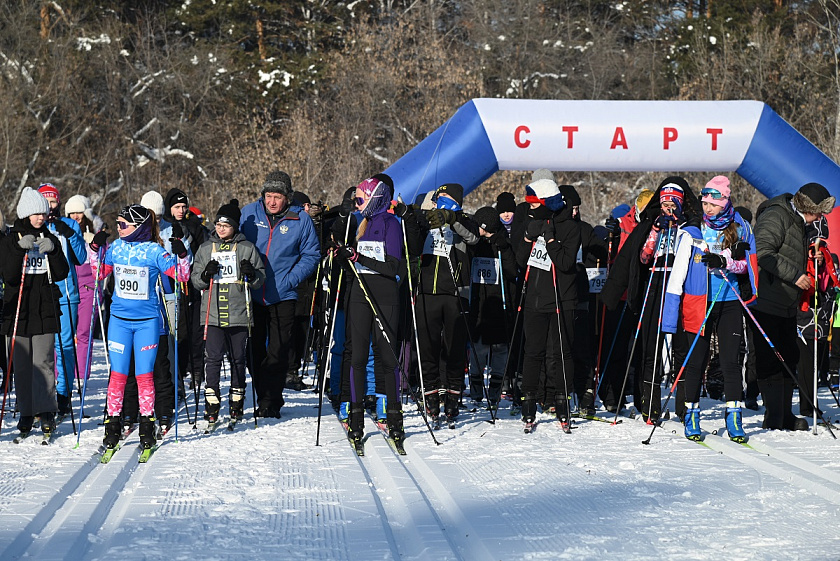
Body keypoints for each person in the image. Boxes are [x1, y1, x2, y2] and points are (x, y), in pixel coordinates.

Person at [663, 175, 757, 442]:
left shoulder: (740, 227)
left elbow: (746, 266)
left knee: (730, 362)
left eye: (713, 204)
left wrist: (725, 262)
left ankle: (734, 415)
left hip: (729, 301)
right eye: (705, 203)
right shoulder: (693, 231)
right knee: (696, 362)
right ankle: (691, 414)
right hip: (699, 302)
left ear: (724, 203)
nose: (708, 208)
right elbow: (677, 275)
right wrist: (670, 317)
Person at [91, 204, 190, 450]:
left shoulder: (154, 250)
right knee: (118, 375)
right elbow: (98, 274)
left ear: (138, 227)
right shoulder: (116, 248)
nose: (119, 228)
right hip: (119, 322)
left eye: (123, 225)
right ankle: (113, 425)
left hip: (147, 323)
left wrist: (182, 254)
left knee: (144, 376)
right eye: (118, 224)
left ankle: (147, 424)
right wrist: (95, 249)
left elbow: (182, 276)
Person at [751, 182, 835, 431]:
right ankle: (774, 416)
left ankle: (785, 414)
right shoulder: (776, 215)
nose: (819, 218)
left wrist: (811, 256)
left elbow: (788, 250)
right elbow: (763, 251)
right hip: (767, 299)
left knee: (789, 356)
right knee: (770, 359)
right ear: (807, 207)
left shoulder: (799, 221)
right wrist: (796, 275)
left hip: (788, 301)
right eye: (818, 213)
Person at [240, 170, 321, 418]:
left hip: (283, 294)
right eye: (268, 196)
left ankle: (271, 402)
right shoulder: (249, 213)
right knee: (253, 353)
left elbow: (311, 254)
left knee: (278, 350)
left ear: (287, 197)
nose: (272, 202)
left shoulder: (300, 219)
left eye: (277, 197)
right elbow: (234, 240)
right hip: (252, 293)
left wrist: (291, 279)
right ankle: (264, 393)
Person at [333, 175, 406, 447]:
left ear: (375, 198)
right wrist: (344, 257)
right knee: (358, 358)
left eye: (362, 198)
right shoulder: (361, 223)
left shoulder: (391, 224)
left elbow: (392, 267)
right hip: (359, 295)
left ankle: (395, 419)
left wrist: (358, 257)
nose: (358, 203)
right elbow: (353, 261)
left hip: (384, 295)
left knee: (388, 358)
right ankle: (356, 419)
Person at [1, 187, 70, 437]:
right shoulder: (10, 239)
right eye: (36, 213)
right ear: (25, 214)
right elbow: (8, 276)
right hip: (19, 309)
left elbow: (62, 273)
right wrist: (19, 250)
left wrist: (53, 251)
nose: (41, 217)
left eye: (43, 213)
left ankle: (47, 411)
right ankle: (26, 412)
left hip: (44, 308)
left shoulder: (50, 237)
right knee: (21, 365)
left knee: (43, 362)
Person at [514, 178, 580, 432]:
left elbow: (565, 263)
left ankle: (562, 402)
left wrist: (550, 240)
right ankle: (529, 402)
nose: (529, 209)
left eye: (533, 205)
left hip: (562, 299)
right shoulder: (532, 223)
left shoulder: (570, 227)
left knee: (561, 353)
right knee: (533, 352)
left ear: (546, 204)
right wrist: (528, 237)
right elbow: (521, 260)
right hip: (535, 299)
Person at [192, 199, 265, 425]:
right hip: (212, 314)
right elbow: (195, 280)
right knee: (212, 359)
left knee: (238, 358)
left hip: (239, 313)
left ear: (235, 226)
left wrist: (251, 274)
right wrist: (205, 274)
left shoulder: (247, 248)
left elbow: (260, 279)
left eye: (226, 225)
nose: (221, 228)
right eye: (218, 224)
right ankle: (212, 403)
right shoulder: (206, 248)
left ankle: (237, 401)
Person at [414, 183, 480, 427]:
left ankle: (453, 396)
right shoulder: (429, 219)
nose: (438, 201)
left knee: (454, 349)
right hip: (427, 292)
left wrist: (452, 219)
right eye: (437, 197)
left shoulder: (465, 220)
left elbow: (473, 238)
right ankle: (431, 395)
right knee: (428, 347)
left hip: (455, 294)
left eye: (443, 197)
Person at [38, 183, 87, 418]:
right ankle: (42, 392)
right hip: (42, 293)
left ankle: (63, 393)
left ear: (59, 203)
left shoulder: (70, 224)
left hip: (67, 293)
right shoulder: (35, 225)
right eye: (45, 202)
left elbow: (81, 258)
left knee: (65, 345)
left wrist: (70, 234)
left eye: (53, 202)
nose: (50, 207)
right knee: (43, 346)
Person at [467, 206, 518, 410]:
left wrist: (504, 249)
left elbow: (512, 271)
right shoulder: (475, 243)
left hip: (499, 304)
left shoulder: (502, 242)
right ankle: (476, 390)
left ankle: (496, 390)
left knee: (499, 350)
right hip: (479, 303)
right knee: (478, 349)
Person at [795, 218, 838, 420]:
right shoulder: (802, 249)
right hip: (804, 312)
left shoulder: (826, 253)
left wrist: (821, 263)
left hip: (821, 313)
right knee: (806, 359)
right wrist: (812, 262)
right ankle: (807, 404)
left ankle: (812, 401)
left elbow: (829, 281)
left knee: (816, 358)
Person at [65, 194, 106, 382]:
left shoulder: (95, 233)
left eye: (79, 212)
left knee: (83, 332)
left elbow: (103, 261)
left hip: (89, 287)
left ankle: (81, 374)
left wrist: (97, 243)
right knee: (64, 332)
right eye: (72, 213)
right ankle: (61, 374)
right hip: (69, 285)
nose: (76, 216)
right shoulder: (65, 233)